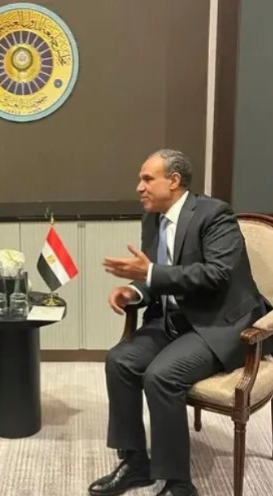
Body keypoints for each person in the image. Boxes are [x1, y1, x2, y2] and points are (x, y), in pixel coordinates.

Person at [88, 150, 271, 496]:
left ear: (173, 181)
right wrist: (134, 291)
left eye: (147, 179)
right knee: (120, 361)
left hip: (217, 324)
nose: (139, 187)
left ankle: (178, 483)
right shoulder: (152, 218)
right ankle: (136, 464)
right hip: (172, 320)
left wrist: (150, 274)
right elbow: (153, 276)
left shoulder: (214, 214)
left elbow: (216, 275)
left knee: (162, 375)